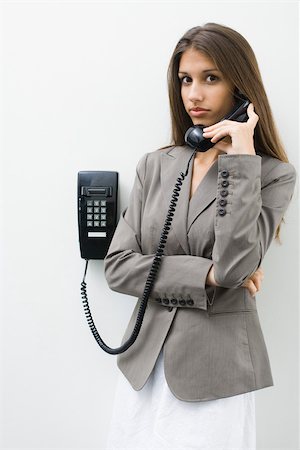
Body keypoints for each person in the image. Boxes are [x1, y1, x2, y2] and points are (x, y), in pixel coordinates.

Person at [103, 23, 297, 449]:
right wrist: (206, 276)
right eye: (185, 80)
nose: (193, 94)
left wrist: (242, 160)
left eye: (211, 78)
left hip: (215, 374)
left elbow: (234, 268)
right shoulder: (156, 166)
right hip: (144, 366)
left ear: (241, 88)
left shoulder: (272, 175)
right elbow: (118, 268)